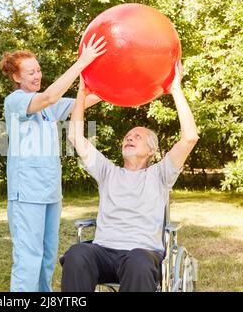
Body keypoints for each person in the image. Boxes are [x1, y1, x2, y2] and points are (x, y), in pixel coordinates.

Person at [61, 61, 199, 292]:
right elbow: (76, 136)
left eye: (138, 136)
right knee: (77, 253)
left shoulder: (160, 174)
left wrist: (175, 89)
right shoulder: (108, 172)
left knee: (138, 261)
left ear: (152, 151)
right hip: (103, 251)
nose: (129, 138)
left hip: (141, 254)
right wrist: (82, 92)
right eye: (127, 136)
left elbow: (190, 138)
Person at [0, 34, 107, 292]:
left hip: (50, 193)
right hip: (26, 194)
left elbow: (85, 101)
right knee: (29, 258)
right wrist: (82, 62)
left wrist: (115, 85)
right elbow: (48, 97)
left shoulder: (48, 108)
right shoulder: (16, 101)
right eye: (30, 73)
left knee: (47, 258)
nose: (37, 76)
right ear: (16, 77)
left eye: (38, 70)